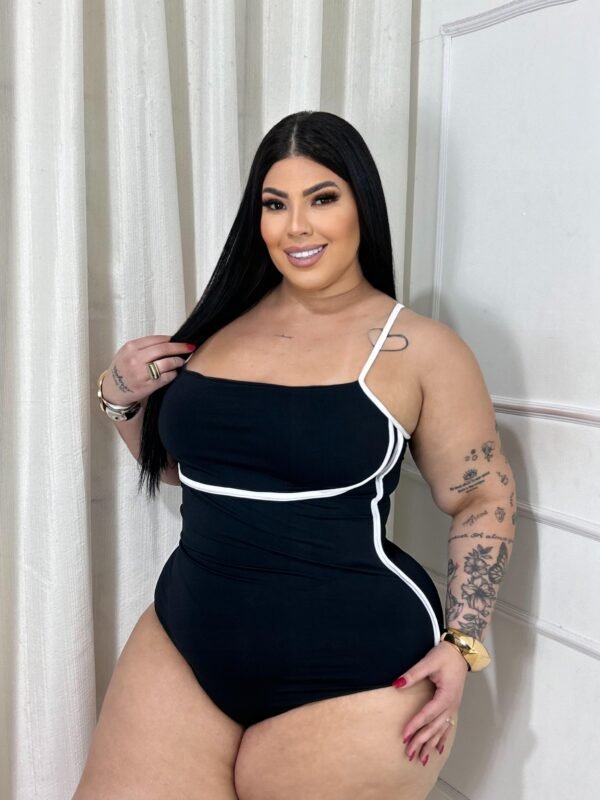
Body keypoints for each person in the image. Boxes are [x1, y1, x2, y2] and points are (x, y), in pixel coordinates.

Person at [75, 110, 516, 800]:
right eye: (275, 205)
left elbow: (483, 497)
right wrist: (120, 399)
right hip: (187, 643)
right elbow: (187, 472)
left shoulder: (420, 349)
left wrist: (464, 643)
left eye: (322, 198)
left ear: (361, 203)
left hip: (358, 676)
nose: (297, 227)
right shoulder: (216, 326)